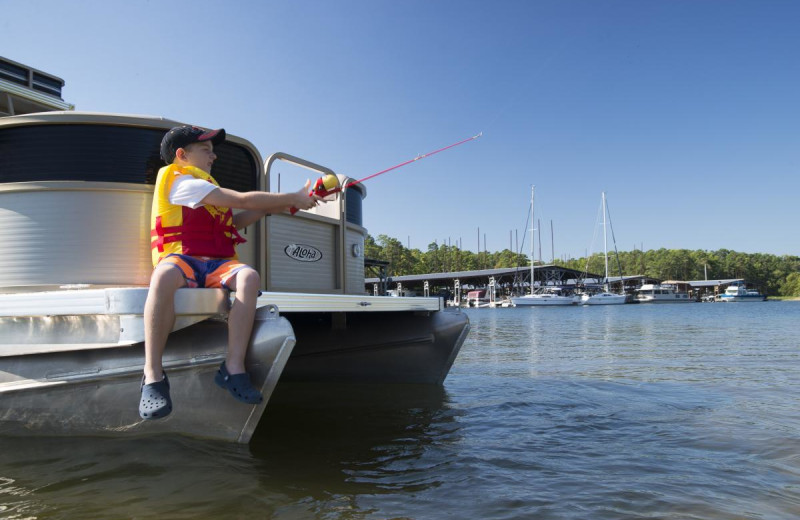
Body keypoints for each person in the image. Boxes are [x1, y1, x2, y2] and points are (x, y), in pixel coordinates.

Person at [139, 125, 322, 420]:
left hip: (216, 263)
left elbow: (235, 221)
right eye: (206, 150)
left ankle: (233, 367)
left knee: (249, 277)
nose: (213, 157)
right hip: (182, 259)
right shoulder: (181, 181)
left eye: (213, 152)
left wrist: (286, 204)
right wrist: (293, 196)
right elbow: (241, 200)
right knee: (161, 277)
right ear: (182, 154)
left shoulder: (206, 187)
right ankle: (152, 374)